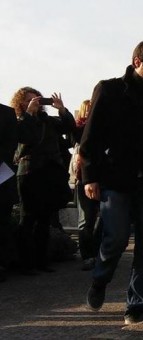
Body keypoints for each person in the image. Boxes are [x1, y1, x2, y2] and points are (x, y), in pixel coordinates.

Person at [79, 39, 143, 325]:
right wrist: (90, 177)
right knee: (116, 238)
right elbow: (90, 138)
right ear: (137, 62)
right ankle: (100, 279)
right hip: (115, 179)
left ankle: (137, 305)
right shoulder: (108, 90)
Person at [12, 88, 75, 275]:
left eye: (37, 100)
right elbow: (23, 136)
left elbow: (68, 127)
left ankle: (41, 261)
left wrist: (62, 110)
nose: (36, 103)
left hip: (49, 173)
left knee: (45, 219)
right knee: (28, 218)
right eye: (31, 100)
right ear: (21, 103)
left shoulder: (48, 121)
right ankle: (26, 263)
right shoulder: (19, 121)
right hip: (29, 172)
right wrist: (29, 114)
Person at [70, 99, 101, 271]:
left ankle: (97, 253)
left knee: (102, 218)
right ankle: (88, 255)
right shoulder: (80, 129)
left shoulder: (105, 126)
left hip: (104, 177)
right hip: (84, 178)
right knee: (87, 219)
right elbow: (75, 136)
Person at [0, 102, 18, 282]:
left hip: (2, 175)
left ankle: (3, 264)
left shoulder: (6, 113)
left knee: (2, 223)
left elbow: (10, 146)